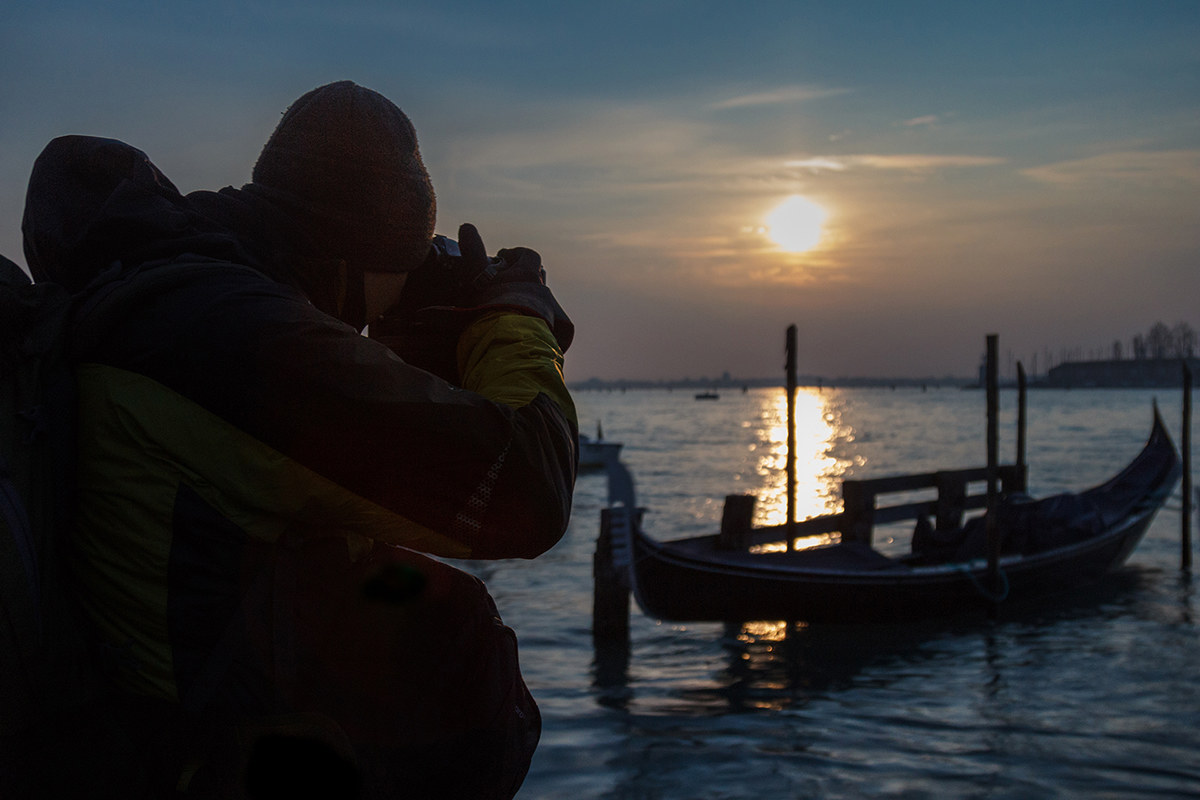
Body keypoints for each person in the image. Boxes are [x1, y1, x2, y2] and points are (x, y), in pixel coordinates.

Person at [20, 81, 577, 798]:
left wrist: (422, 335)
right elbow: (527, 491)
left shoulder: (165, 292)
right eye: (400, 272)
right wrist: (514, 315)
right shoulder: (231, 338)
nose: (393, 303)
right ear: (351, 259)